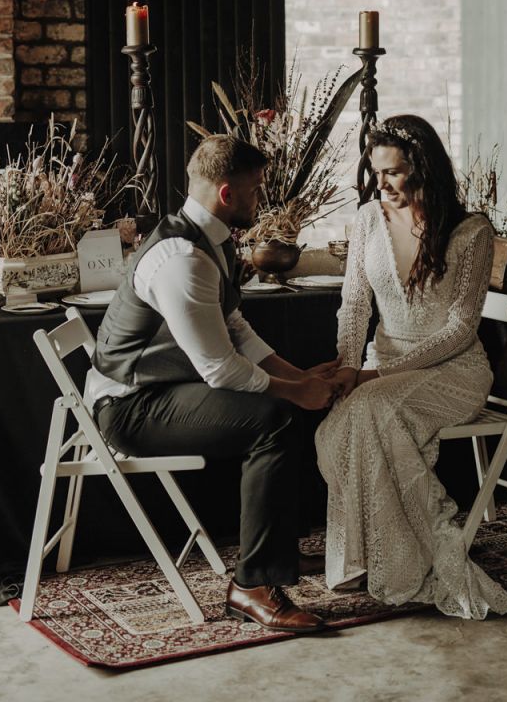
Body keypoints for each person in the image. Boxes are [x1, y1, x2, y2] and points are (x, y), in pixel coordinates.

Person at [87, 134, 341, 634]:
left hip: (158, 390)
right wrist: (294, 393)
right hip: (129, 407)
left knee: (286, 403)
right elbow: (220, 370)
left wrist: (299, 376)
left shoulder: (212, 239)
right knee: (274, 419)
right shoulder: (182, 258)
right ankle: (252, 585)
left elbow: (236, 330)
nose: (259, 198)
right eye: (255, 189)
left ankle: (278, 556)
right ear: (227, 194)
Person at [315, 114, 507, 619]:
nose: (381, 184)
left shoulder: (470, 232)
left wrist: (371, 378)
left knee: (371, 411)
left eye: (393, 172)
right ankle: (366, 556)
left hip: (453, 372)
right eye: (375, 171)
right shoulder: (368, 219)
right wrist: (349, 368)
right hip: (379, 369)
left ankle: (406, 563)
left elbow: (459, 330)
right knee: (336, 428)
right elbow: (355, 306)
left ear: (424, 168)